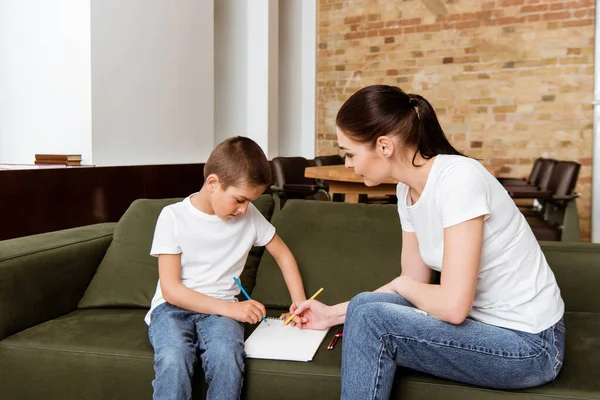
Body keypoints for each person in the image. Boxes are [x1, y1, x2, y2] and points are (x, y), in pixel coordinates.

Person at [290, 85, 565, 399]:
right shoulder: (405, 191)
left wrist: (401, 285)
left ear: (383, 146)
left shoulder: (459, 179)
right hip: (482, 326)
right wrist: (331, 314)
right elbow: (414, 282)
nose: (349, 163)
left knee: (370, 317)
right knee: (366, 305)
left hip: (530, 345)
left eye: (349, 153)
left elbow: (451, 306)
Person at [146, 136, 306, 400]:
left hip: (222, 311)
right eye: (239, 200)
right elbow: (172, 290)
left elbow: (284, 255)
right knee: (174, 357)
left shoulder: (250, 216)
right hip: (173, 309)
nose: (244, 210)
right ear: (213, 183)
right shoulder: (172, 217)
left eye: (250, 202)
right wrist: (233, 309)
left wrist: (299, 304)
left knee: (228, 357)